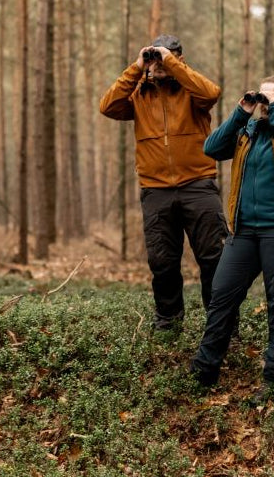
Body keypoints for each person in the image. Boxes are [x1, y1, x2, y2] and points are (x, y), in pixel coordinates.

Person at [189, 70, 274, 396]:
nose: (262, 103)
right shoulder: (247, 131)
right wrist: (240, 111)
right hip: (244, 232)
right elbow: (212, 148)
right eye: (260, 96)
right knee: (222, 295)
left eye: (270, 98)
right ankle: (203, 373)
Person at [99, 34, 227, 331]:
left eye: (165, 58)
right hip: (155, 189)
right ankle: (168, 322)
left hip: (198, 185)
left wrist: (173, 65)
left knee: (214, 258)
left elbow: (212, 93)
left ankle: (221, 322)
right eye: (155, 58)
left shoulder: (192, 91)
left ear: (178, 59)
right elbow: (107, 106)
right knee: (162, 261)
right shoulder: (138, 93)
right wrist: (137, 67)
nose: (158, 64)